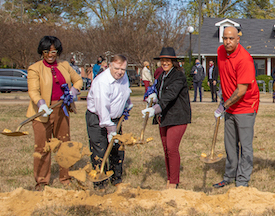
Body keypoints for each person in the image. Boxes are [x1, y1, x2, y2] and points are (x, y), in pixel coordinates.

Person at [27, 36, 83, 190]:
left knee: (64, 144)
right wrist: (41, 104)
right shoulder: (34, 68)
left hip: (61, 110)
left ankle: (65, 177)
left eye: (54, 51)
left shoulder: (64, 65)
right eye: (47, 51)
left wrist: (73, 90)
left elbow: (78, 80)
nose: (51, 54)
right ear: (42, 52)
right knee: (42, 147)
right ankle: (41, 181)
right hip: (42, 112)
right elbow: (33, 91)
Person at [212, 26, 260, 188]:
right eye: (225, 38)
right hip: (229, 105)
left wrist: (223, 106)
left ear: (238, 39)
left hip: (246, 106)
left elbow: (241, 90)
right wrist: (222, 94)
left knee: (245, 146)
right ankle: (229, 176)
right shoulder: (220, 52)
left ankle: (242, 181)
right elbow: (224, 75)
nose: (227, 42)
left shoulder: (244, 59)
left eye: (231, 38)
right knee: (230, 144)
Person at [143, 48, 192, 189]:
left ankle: (174, 182)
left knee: (172, 148)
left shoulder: (178, 76)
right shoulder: (162, 76)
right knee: (166, 149)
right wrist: (152, 97)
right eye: (162, 60)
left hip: (177, 116)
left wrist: (155, 108)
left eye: (168, 60)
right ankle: (169, 177)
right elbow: (159, 91)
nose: (164, 63)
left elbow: (170, 96)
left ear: (173, 61)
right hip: (163, 117)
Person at [86, 55, 132, 189]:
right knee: (100, 150)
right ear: (110, 65)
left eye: (123, 69)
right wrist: (110, 129)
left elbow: (125, 92)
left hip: (116, 119)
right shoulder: (102, 81)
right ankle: (100, 183)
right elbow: (102, 107)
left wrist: (127, 104)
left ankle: (116, 178)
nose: (120, 72)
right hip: (98, 118)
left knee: (118, 149)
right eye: (117, 68)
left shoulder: (124, 77)